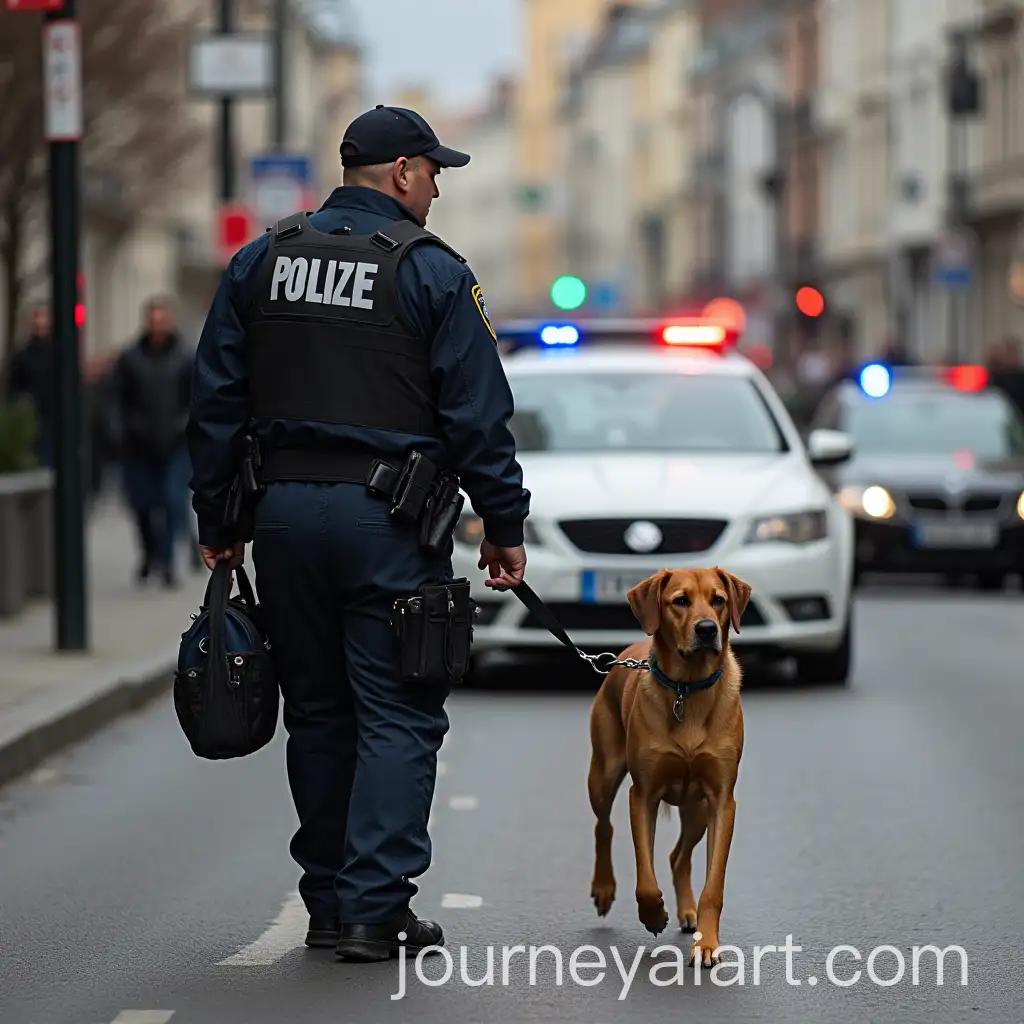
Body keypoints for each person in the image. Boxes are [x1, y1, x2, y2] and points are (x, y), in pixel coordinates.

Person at [186, 105, 530, 961]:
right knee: (399, 712)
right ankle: (377, 909)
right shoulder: (432, 272)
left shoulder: (262, 260)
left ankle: (332, 902)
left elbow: (218, 398)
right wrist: (504, 526)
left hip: (285, 520)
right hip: (390, 522)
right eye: (434, 173)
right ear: (404, 174)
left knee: (319, 710)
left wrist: (219, 519)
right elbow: (478, 414)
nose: (437, 189)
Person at [110, 296, 194, 586]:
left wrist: (184, 424)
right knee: (143, 505)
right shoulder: (131, 357)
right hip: (138, 445)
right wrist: (122, 429)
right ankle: (149, 553)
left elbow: (197, 399)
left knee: (172, 502)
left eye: (163, 319)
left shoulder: (185, 358)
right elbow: (117, 399)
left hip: (175, 444)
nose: (159, 325)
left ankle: (168, 564)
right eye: (154, 320)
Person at [6, 304, 56, 467]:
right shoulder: (23, 356)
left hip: (53, 416)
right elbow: (14, 388)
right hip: (34, 418)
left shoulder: (56, 353)